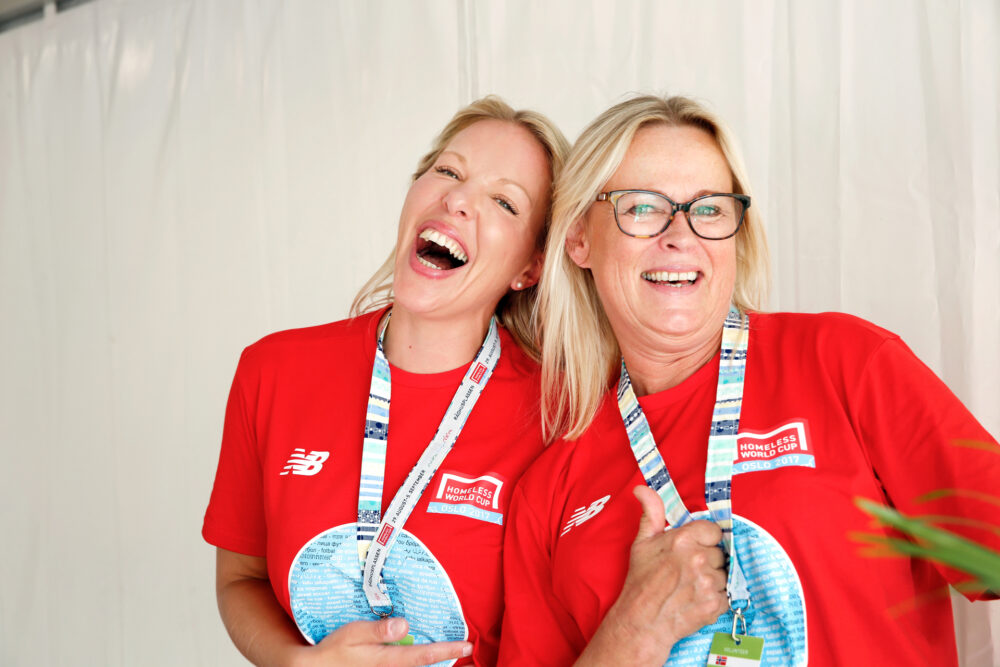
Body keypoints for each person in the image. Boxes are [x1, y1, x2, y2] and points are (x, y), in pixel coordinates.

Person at [499, 94, 1000, 666]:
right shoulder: (549, 491)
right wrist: (633, 632)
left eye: (709, 208)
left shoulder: (845, 363)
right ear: (579, 237)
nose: (680, 234)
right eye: (641, 207)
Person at [203, 96, 568, 666]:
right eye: (447, 171)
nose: (458, 200)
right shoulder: (271, 371)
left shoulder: (558, 414)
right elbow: (239, 578)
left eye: (503, 201)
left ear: (531, 267)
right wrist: (297, 663)